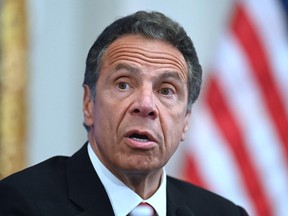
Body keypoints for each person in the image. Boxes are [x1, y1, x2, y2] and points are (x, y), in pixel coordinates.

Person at [0, 11, 248, 216]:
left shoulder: (223, 213)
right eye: (123, 84)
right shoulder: (20, 204)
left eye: (166, 90)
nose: (146, 104)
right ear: (88, 104)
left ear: (185, 121)